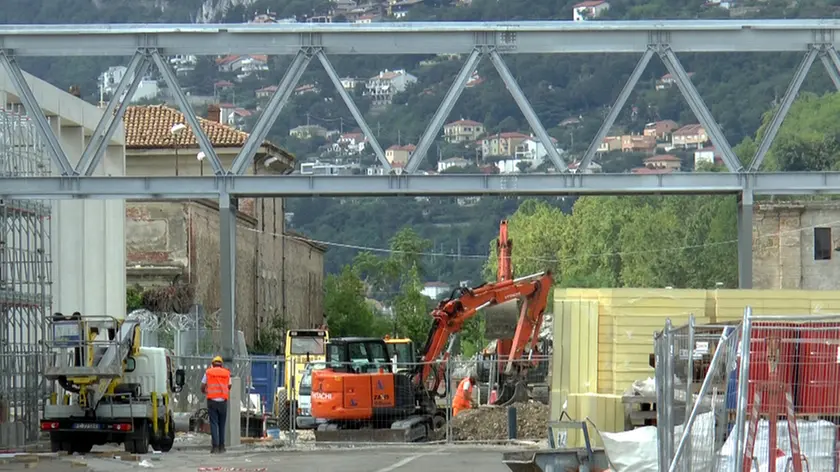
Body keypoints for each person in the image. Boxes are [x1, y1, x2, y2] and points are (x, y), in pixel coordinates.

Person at [201, 356, 231, 454]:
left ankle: (215, 447)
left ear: (212, 364)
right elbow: (229, 385)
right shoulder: (226, 373)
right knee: (222, 425)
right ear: (221, 364)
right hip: (223, 401)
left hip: (212, 401)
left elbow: (202, 385)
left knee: (214, 424)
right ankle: (222, 447)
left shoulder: (208, 372)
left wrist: (204, 391)